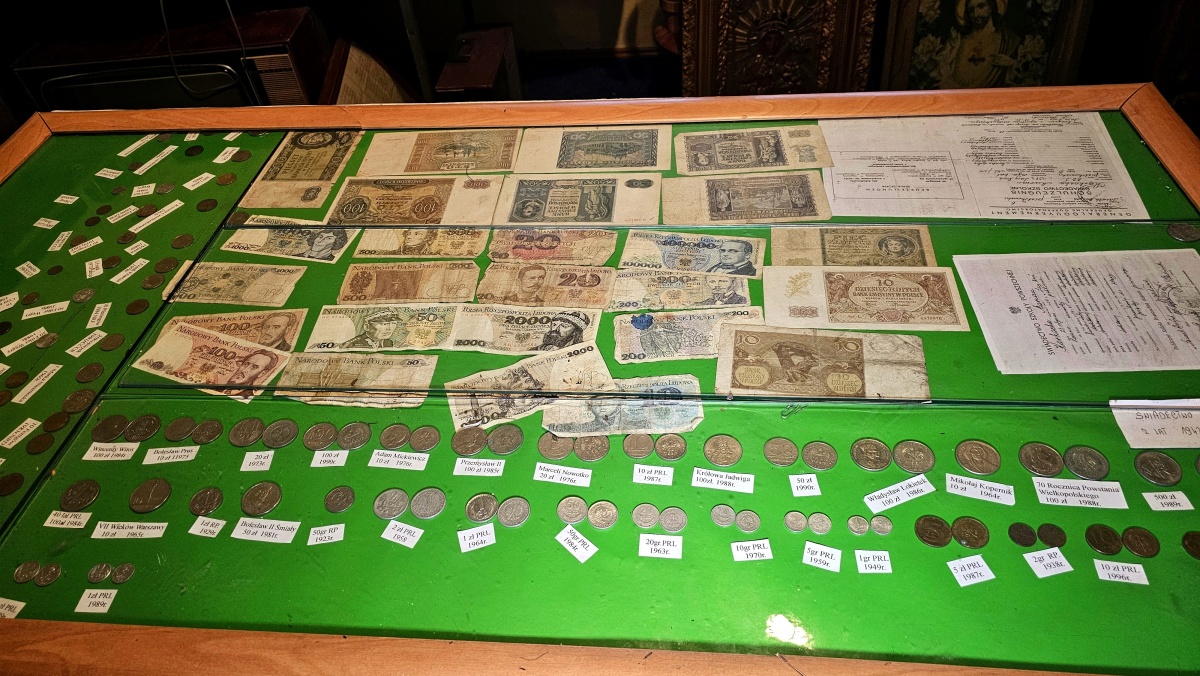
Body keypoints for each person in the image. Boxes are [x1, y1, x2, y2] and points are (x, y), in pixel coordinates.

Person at [938, 0, 1019, 89]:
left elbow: (1021, 75)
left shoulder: (1007, 40)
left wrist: (1011, 64)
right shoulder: (958, 40)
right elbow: (942, 72)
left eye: (981, 7)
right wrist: (952, 50)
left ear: (991, 7)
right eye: (971, 10)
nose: (976, 14)